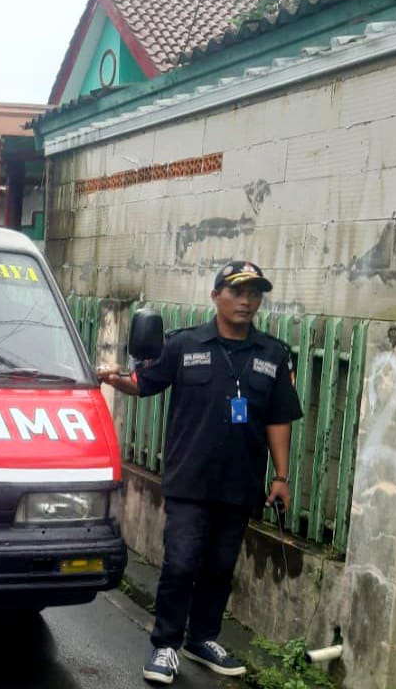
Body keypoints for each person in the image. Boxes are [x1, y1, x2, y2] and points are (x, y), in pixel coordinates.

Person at [97, 261, 303, 685]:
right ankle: (165, 644)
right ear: (215, 296)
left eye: (254, 293)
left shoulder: (273, 355)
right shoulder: (184, 344)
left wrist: (281, 478)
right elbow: (145, 382)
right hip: (190, 479)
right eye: (237, 292)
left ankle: (202, 638)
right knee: (181, 562)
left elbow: (279, 419)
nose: (246, 301)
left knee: (220, 566)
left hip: (240, 482)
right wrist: (115, 380)